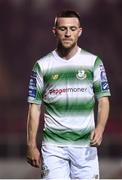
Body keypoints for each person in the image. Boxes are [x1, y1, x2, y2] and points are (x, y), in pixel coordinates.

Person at [26, 10, 111, 179]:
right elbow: (34, 108)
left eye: (72, 29)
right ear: (54, 31)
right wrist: (31, 145)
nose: (67, 33)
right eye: (63, 28)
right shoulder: (42, 66)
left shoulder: (93, 62)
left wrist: (100, 128)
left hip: (85, 146)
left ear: (80, 31)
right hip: (53, 147)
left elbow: (103, 100)